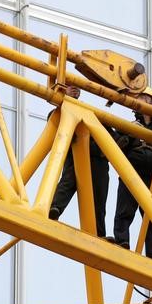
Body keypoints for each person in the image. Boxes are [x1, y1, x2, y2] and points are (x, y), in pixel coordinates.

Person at [109, 87, 152, 266]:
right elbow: (116, 144)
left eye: (150, 101)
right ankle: (122, 241)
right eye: (144, 99)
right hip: (133, 171)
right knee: (125, 208)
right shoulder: (130, 126)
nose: (147, 103)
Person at [48, 85, 110, 238]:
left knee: (99, 197)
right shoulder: (59, 111)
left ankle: (99, 233)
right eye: (70, 86)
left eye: (77, 87)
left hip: (97, 160)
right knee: (69, 180)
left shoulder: (88, 112)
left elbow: (109, 133)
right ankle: (53, 208)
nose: (74, 89)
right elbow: (54, 123)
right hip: (76, 154)